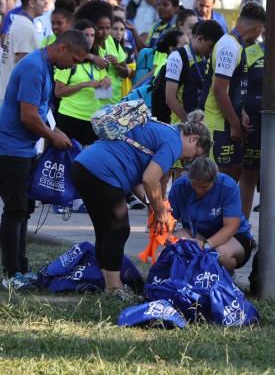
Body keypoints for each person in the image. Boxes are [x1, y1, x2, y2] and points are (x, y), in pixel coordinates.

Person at [71, 117, 210, 293]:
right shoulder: (174, 143)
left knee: (104, 229)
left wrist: (151, 204)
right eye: (195, 153)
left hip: (83, 166)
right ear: (194, 138)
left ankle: (106, 281)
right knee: (118, 229)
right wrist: (160, 211)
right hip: (103, 172)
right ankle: (114, 289)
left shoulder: (162, 129)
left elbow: (138, 177)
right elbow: (150, 179)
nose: (190, 158)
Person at [0, 31, 90, 289]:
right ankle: (11, 274)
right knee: (15, 210)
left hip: (25, 148)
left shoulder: (46, 65)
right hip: (10, 150)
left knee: (24, 210)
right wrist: (52, 135)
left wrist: (55, 131)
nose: (74, 65)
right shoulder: (33, 67)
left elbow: (41, 109)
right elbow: (28, 115)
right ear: (62, 47)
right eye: (74, 59)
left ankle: (21, 267)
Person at [203, 2, 266, 183]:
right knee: (217, 178)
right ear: (258, 27)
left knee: (236, 171)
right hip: (218, 124)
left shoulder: (235, 45)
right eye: (262, 31)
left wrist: (241, 113)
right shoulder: (229, 47)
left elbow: (236, 87)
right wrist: (235, 124)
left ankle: (225, 211)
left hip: (229, 121)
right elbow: (220, 90)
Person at [168, 155, 255, 271]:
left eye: (204, 187)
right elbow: (169, 220)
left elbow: (231, 226)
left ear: (215, 180)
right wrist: (168, 239)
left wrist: (206, 245)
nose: (198, 190)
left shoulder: (227, 186)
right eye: (194, 185)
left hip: (233, 236)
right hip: (197, 233)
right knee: (177, 246)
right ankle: (190, 281)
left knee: (219, 255)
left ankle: (224, 281)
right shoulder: (180, 186)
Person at [53, 19, 113, 147]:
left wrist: (107, 81)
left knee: (84, 163)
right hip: (70, 117)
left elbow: (104, 91)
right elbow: (58, 92)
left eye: (92, 35)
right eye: (86, 35)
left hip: (92, 118)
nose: (90, 39)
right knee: (65, 161)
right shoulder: (68, 60)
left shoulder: (97, 60)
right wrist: (84, 84)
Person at [163, 20, 222, 123]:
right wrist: (189, 122)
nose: (212, 51)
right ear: (199, 39)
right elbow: (170, 98)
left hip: (202, 124)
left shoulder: (208, 58)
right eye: (210, 46)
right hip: (181, 125)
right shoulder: (177, 57)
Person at [0, 0, 48, 98]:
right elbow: (24, 63)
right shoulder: (24, 26)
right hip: (15, 95)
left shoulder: (22, 22)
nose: (46, 2)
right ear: (31, 3)